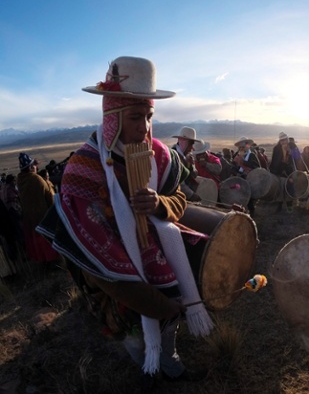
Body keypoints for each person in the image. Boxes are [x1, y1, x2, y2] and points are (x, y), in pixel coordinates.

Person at [36, 56, 213, 391]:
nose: (145, 128)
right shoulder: (82, 169)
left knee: (168, 330)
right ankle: (147, 371)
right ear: (112, 119)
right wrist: (155, 303)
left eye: (149, 117)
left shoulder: (160, 155)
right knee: (135, 334)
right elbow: (91, 246)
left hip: (162, 267)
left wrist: (160, 204)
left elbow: (179, 200)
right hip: (113, 277)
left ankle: (170, 366)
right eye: (135, 118)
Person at [17, 152, 59, 265]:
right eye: (34, 165)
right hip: (43, 215)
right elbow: (50, 196)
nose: (36, 167)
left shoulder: (20, 180)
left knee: (37, 243)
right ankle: (53, 262)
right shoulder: (36, 179)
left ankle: (43, 262)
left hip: (30, 218)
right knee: (47, 241)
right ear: (30, 167)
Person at [171, 126, 204, 201]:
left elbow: (194, 175)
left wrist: (190, 165)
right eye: (191, 144)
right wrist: (192, 195)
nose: (192, 148)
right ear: (184, 143)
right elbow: (178, 182)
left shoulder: (187, 156)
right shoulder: (173, 157)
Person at [269, 132, 296, 213]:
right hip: (279, 170)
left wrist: (290, 151)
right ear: (280, 141)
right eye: (282, 140)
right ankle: (279, 205)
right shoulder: (276, 148)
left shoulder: (292, 146)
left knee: (290, 187)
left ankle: (289, 205)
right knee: (279, 188)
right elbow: (274, 160)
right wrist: (273, 170)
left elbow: (298, 156)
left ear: (287, 139)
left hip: (290, 171)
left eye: (285, 140)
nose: (284, 142)